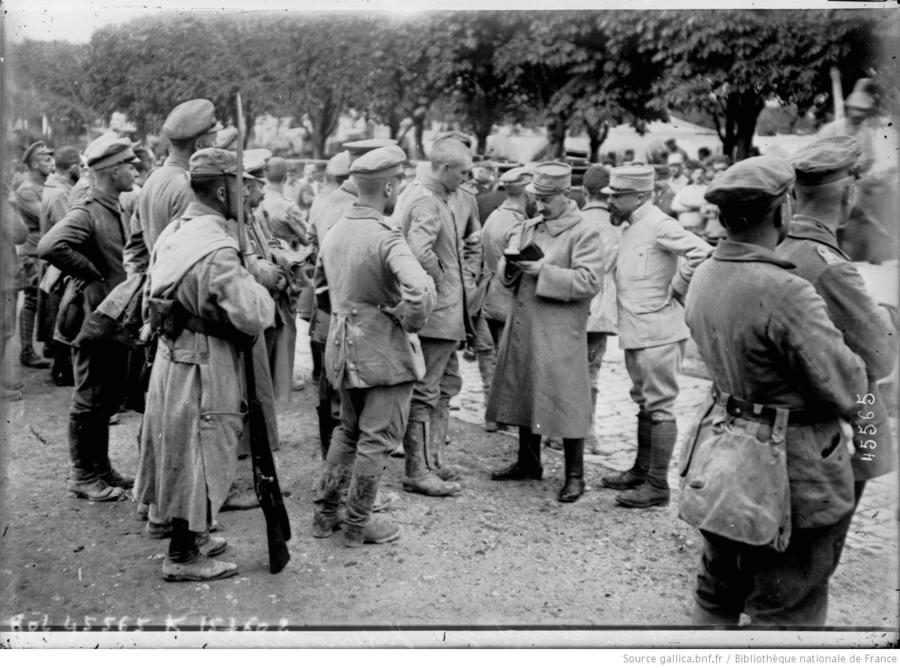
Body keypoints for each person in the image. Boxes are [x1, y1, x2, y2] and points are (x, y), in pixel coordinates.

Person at [684, 155, 867, 626]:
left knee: (717, 590)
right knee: (787, 611)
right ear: (784, 211)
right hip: (792, 471)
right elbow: (848, 385)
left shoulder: (705, 272)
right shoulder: (786, 290)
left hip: (721, 457)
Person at [135, 148, 276, 581]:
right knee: (199, 446)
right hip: (201, 358)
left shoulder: (178, 230)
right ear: (220, 189)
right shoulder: (216, 248)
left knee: (176, 444)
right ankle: (182, 555)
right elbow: (254, 315)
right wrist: (259, 280)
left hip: (172, 354)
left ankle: (191, 535)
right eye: (240, 185)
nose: (248, 192)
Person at [311, 145, 435, 547]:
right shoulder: (386, 237)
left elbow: (320, 292)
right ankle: (358, 523)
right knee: (377, 438)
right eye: (395, 183)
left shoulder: (336, 231)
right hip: (382, 351)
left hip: (343, 349)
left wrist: (347, 315)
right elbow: (419, 290)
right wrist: (407, 320)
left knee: (347, 431)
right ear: (387, 186)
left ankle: (325, 515)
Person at [776, 135, 896, 506]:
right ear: (849, 197)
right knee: (872, 446)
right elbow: (880, 358)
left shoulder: (778, 243)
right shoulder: (831, 268)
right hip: (822, 425)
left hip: (774, 416)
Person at [486, 162, 604, 503]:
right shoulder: (529, 227)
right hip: (526, 323)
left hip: (559, 330)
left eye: (547, 199)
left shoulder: (583, 232)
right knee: (524, 389)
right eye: (536, 198)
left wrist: (543, 271)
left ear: (567, 194)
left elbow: (590, 281)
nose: (540, 205)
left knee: (567, 400)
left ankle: (575, 475)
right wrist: (509, 268)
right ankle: (528, 462)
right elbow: (506, 280)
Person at [599, 165, 712, 509]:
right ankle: (641, 470)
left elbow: (702, 251)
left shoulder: (659, 223)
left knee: (660, 406)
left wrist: (677, 287)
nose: (612, 202)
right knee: (644, 401)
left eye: (618, 196)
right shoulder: (632, 226)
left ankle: (657, 485)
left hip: (660, 332)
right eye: (612, 195)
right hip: (638, 331)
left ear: (642, 196)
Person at [37, 137, 141, 502]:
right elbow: (49, 246)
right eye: (130, 164)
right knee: (90, 394)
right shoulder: (87, 209)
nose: (135, 169)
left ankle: (101, 467)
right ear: (112, 170)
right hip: (90, 318)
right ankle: (82, 474)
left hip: (109, 317)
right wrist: (91, 272)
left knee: (107, 392)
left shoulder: (115, 205)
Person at [394, 136, 473, 496]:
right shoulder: (427, 202)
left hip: (444, 315)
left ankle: (434, 461)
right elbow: (417, 251)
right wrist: (440, 285)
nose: (465, 179)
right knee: (426, 392)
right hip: (438, 316)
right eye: (462, 172)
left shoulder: (430, 196)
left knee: (444, 387)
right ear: (443, 169)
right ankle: (417, 470)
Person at [123, 98, 222, 274]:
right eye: (213, 143)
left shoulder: (153, 179)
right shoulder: (191, 188)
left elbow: (135, 248)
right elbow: (195, 260)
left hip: (158, 286)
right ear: (199, 145)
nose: (217, 149)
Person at [478, 167, 532, 432]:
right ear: (525, 190)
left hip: (489, 294)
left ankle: (491, 415)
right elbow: (517, 265)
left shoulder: (495, 216)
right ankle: (502, 415)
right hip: (508, 296)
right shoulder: (518, 224)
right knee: (507, 358)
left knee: (492, 356)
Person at [580, 166, 620, 454]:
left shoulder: (575, 221)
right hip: (600, 307)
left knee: (567, 369)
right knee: (592, 370)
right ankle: (589, 433)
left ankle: (558, 432)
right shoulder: (618, 226)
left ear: (584, 191)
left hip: (570, 304)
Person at [37, 145, 81, 386]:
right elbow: (70, 231)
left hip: (55, 264)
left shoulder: (55, 188)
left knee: (61, 318)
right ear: (73, 167)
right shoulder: (61, 193)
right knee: (65, 319)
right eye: (81, 167)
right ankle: (62, 371)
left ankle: (61, 368)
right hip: (61, 266)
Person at [12, 141, 55, 369]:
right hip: (32, 253)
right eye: (46, 159)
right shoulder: (27, 190)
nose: (52, 163)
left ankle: (48, 343)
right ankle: (27, 350)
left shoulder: (47, 186)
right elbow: (46, 217)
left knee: (47, 300)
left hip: (45, 252)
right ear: (34, 163)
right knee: (31, 301)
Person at [261, 156, 309, 250]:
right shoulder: (288, 206)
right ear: (285, 176)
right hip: (286, 259)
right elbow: (307, 239)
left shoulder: (257, 199)